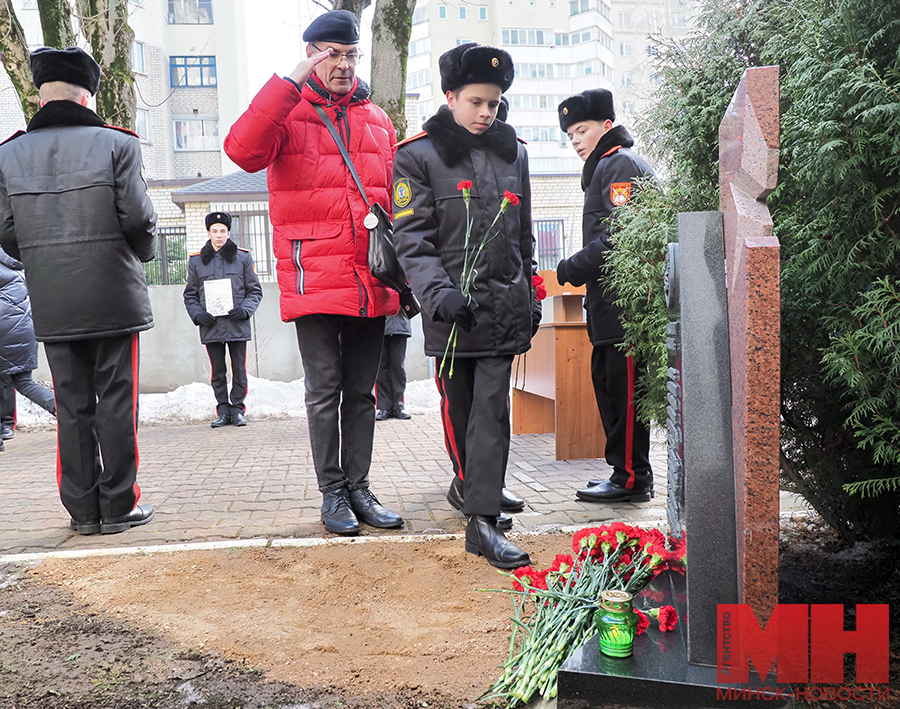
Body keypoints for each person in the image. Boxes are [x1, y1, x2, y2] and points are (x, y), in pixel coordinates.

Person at [224, 10, 404, 536]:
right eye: (330, 54)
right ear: (311, 55)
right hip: (313, 275)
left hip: (370, 276)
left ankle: (359, 488)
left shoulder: (378, 120)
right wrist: (289, 83)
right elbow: (241, 150)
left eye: (350, 55)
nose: (343, 64)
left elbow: (395, 197)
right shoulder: (288, 114)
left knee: (363, 392)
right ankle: (332, 494)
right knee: (324, 389)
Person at [392, 43, 540, 569]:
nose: (485, 113)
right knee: (461, 409)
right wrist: (438, 295)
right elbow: (412, 240)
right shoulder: (416, 156)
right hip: (453, 314)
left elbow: (524, 237)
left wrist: (532, 293)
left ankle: (482, 523)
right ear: (450, 95)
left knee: (491, 413)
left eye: (494, 103)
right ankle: (473, 487)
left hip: (503, 310)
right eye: (476, 101)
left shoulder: (514, 152)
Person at [0, 47, 158, 534]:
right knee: (117, 402)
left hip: (53, 298)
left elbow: (7, 233)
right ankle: (119, 506)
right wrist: (142, 254)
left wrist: (45, 261)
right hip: (113, 294)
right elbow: (140, 219)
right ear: (87, 95)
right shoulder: (118, 145)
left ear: (40, 95)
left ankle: (82, 512)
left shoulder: (8, 154)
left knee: (71, 406)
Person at [555, 89, 655, 503]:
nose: (576, 140)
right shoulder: (604, 168)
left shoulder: (619, 165)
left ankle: (632, 478)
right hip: (608, 311)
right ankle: (623, 473)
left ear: (607, 127)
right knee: (612, 392)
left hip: (626, 310)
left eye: (582, 130)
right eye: (570, 135)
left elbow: (619, 238)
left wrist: (569, 268)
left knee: (626, 395)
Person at [184, 212, 263, 428]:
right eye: (215, 231)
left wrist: (245, 310)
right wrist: (198, 314)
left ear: (229, 233)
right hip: (211, 327)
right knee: (218, 371)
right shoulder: (197, 261)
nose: (219, 235)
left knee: (239, 369)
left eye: (223, 231)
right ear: (208, 233)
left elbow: (254, 291)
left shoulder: (243, 258)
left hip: (237, 324)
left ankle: (237, 409)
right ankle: (222, 410)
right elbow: (190, 295)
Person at [0, 245, 57, 453]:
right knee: (24, 382)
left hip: (4, 327)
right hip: (24, 329)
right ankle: (63, 411)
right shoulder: (18, 263)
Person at [375, 312, 412, 421]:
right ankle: (384, 407)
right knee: (381, 369)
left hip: (399, 326)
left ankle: (399, 406)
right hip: (379, 326)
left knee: (398, 368)